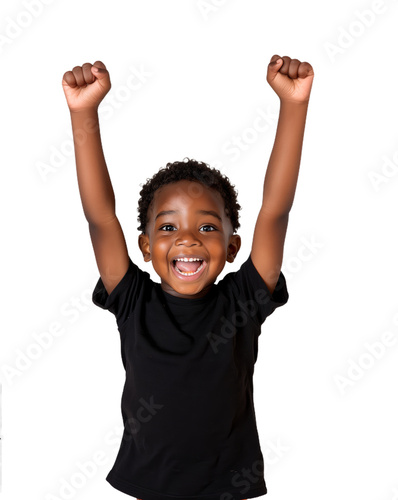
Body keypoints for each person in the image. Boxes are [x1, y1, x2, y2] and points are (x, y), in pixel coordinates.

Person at [62, 54, 314, 500]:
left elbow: (276, 211)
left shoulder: (243, 301)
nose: (187, 240)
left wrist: (293, 107)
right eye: (167, 227)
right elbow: (100, 219)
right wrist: (83, 114)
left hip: (227, 486)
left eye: (208, 227)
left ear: (233, 247)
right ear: (144, 247)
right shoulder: (133, 298)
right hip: (147, 485)